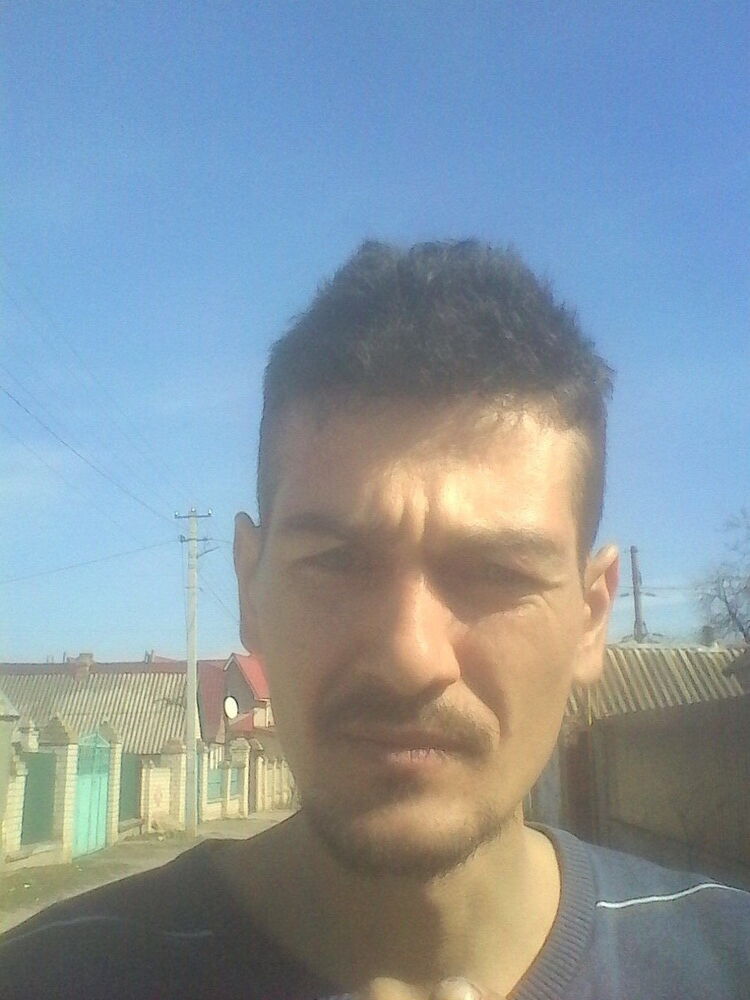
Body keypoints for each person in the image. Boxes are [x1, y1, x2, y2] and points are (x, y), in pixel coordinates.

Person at [0, 241, 747, 1000]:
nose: (410, 656)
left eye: (496, 572)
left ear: (590, 620)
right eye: (336, 562)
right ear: (251, 592)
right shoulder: (48, 977)